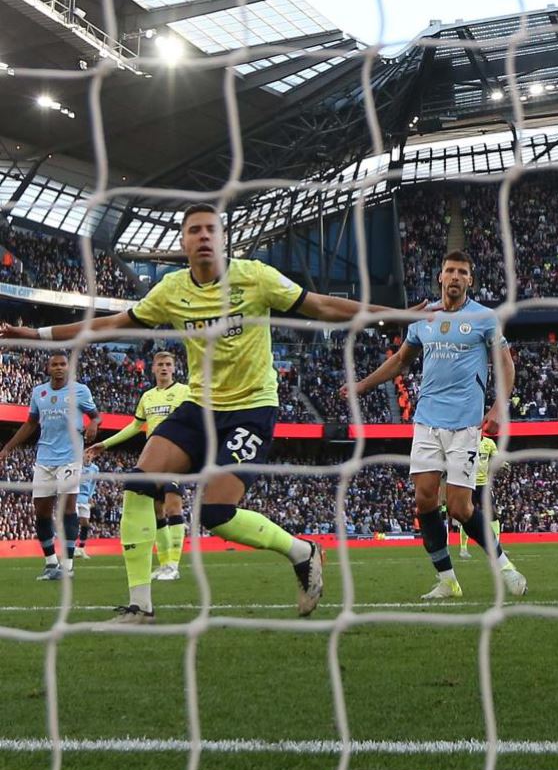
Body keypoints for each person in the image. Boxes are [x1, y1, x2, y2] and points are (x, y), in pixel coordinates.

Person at [1, 202, 406, 624]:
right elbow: (109, 325)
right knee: (139, 484)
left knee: (216, 515)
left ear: (224, 237)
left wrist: (393, 314)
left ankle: (303, 552)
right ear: (183, 241)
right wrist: (37, 334)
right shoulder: (172, 291)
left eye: (211, 229)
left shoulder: (255, 278)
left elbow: (322, 307)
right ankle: (140, 606)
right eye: (195, 230)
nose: (204, 236)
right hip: (199, 407)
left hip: (251, 409)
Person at [344, 249, 525, 600]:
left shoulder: (485, 318)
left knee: (460, 508)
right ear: (440, 277)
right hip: (427, 421)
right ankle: (447, 580)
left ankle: (505, 567)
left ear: (470, 279)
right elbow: (400, 361)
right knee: (425, 502)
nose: (455, 277)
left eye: (461, 272)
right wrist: (363, 386)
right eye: (449, 271)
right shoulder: (423, 318)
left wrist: (499, 407)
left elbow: (505, 364)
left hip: (465, 425)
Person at [94, 350, 193, 579]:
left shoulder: (185, 392)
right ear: (153, 368)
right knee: (157, 510)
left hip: (176, 454)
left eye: (169, 364)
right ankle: (165, 563)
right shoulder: (147, 397)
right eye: (160, 364)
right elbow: (135, 426)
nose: (165, 368)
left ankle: (174, 566)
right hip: (153, 457)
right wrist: (105, 444)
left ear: (174, 368)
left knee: (172, 505)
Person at [0, 351, 98, 579]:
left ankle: (68, 565)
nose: (59, 367)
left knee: (67, 508)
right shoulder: (39, 392)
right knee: (41, 511)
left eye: (62, 364)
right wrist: (7, 448)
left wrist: (93, 423)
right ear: (48, 368)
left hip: (70, 457)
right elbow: (30, 423)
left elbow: (95, 416)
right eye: (54, 364)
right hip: (44, 458)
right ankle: (50, 563)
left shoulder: (80, 391)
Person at [457, 432, 502, 560]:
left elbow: (496, 458)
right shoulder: (466, 442)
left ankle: (496, 548)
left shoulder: (489, 443)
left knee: (493, 513)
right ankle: (463, 549)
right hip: (469, 483)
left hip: (484, 484)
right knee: (466, 515)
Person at [74, 458, 100, 559]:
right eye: (86, 453)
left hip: (85, 499)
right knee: (74, 521)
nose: (88, 456)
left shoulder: (95, 469)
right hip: (74, 496)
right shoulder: (76, 465)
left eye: (90, 454)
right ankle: (72, 548)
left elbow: (93, 483)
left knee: (85, 524)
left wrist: (90, 495)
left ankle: (81, 548)